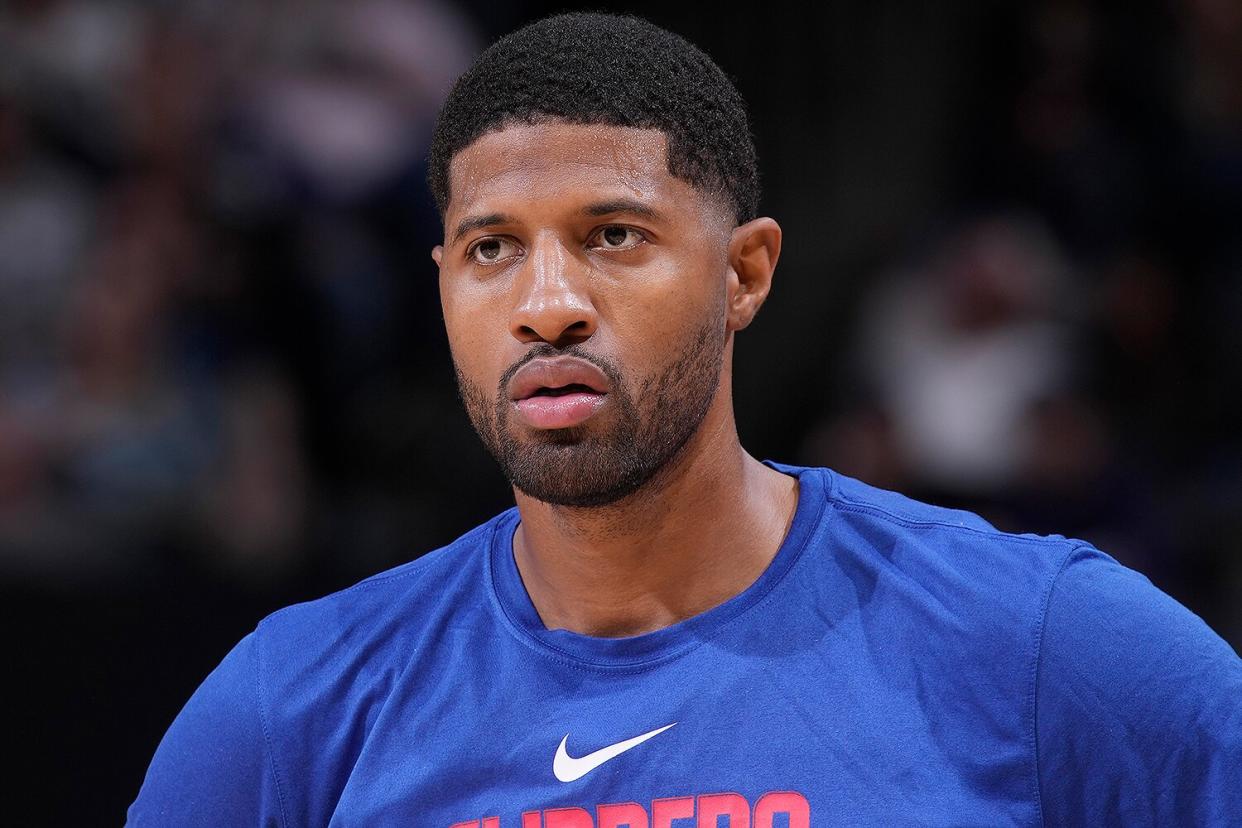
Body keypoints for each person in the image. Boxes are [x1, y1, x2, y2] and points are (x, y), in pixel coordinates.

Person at [127, 13, 1241, 827]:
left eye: (614, 235)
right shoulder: (296, 710)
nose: (545, 306)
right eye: (491, 249)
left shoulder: (1040, 643)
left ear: (745, 274)